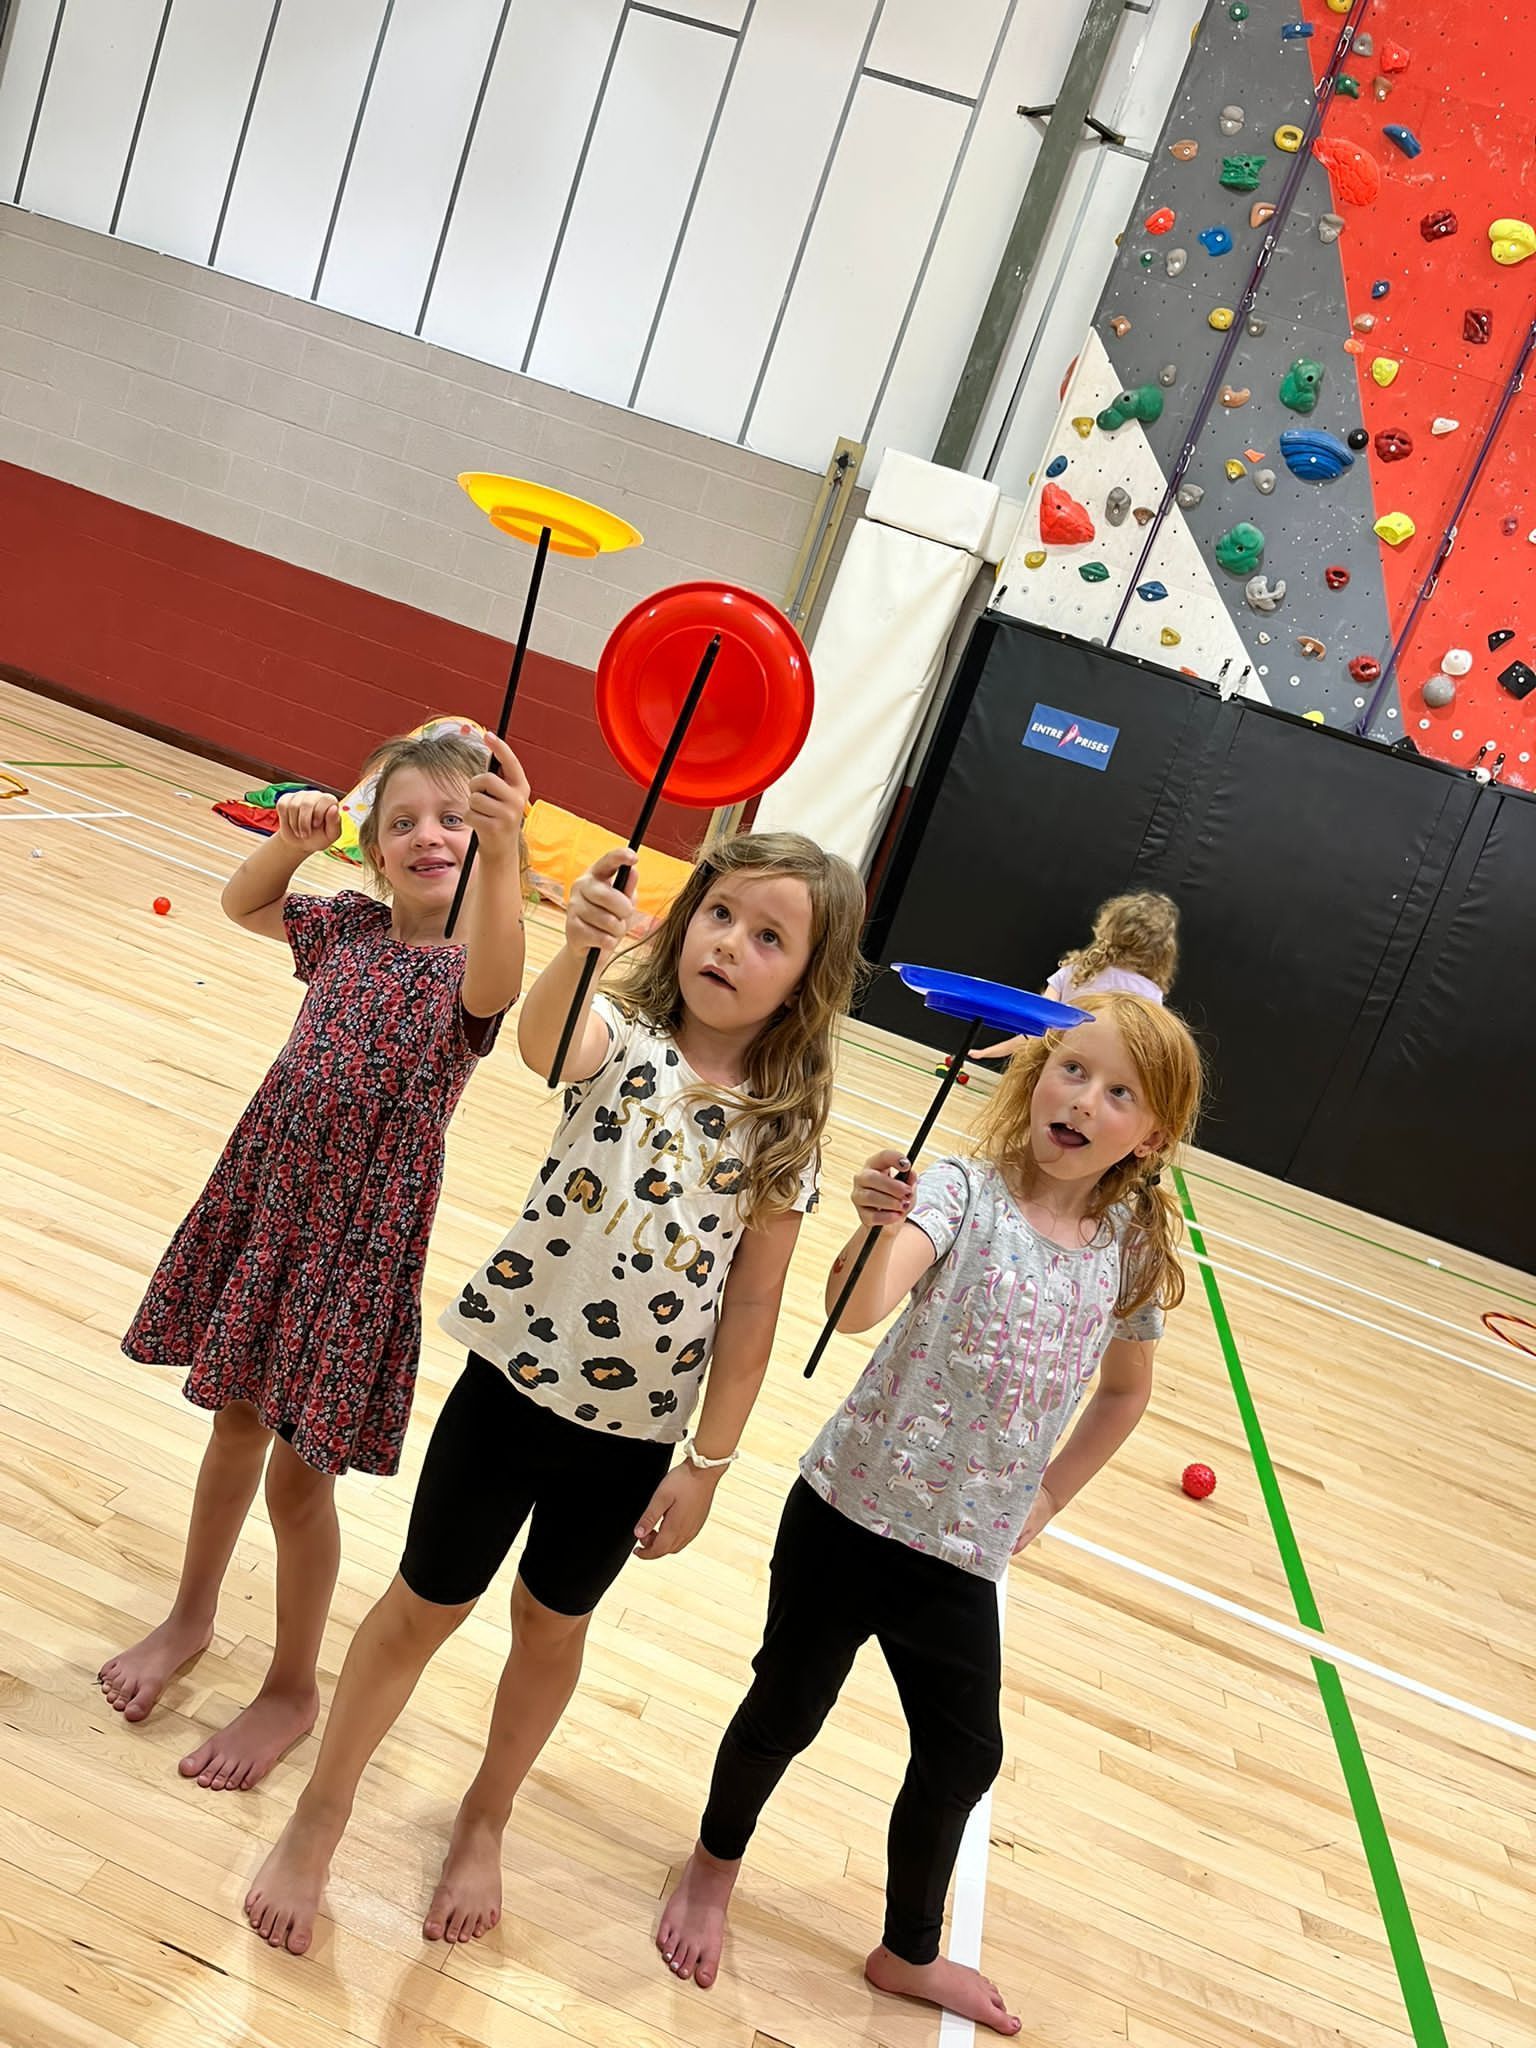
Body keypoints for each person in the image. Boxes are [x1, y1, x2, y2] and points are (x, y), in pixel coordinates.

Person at [243, 828, 867, 1954]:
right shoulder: (623, 1036)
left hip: (632, 1438)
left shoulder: (787, 1128)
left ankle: (486, 1810)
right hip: (508, 1389)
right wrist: (576, 943)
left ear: (807, 980)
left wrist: (709, 1464)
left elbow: (758, 1307)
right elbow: (542, 1040)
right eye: (720, 914)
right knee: (420, 1607)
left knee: (550, 1621)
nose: (730, 943)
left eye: (769, 935)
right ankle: (319, 1810)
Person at [657, 992, 1204, 2036]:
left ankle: (908, 1948)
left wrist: (1047, 1494)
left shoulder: (1127, 1244)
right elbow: (855, 1306)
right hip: (847, 1514)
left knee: (961, 1755)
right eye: (1072, 1069)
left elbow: (1125, 1394)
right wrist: (870, 1228)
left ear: (1154, 1134)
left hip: (962, 1557)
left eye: (1119, 1091)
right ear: (1034, 1077)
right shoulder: (959, 1188)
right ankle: (709, 1868)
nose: (1084, 1098)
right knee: (787, 1706)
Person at [99, 721, 530, 1793]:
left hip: (358, 1246)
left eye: (452, 819)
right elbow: (243, 903)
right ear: (375, 849)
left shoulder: (471, 974)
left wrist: (508, 845)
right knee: (231, 1425)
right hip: (270, 1203)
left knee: (300, 1481)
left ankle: (293, 1683)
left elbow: (504, 971)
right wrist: (293, 837)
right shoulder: (345, 929)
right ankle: (190, 1614)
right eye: (404, 822)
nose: (431, 836)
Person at [972, 889, 1179, 1061]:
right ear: (1164, 951)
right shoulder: (1151, 995)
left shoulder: (1076, 971)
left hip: (1053, 1068)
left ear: (1108, 926)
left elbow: (1037, 1028)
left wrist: (989, 1052)